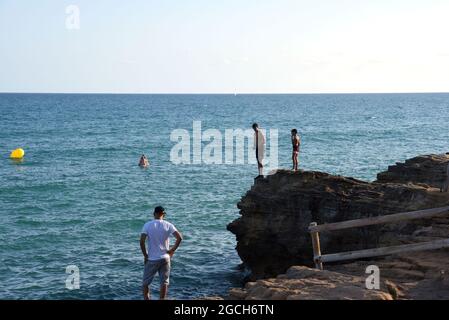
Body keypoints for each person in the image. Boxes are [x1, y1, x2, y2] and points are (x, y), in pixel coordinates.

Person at [140, 206, 183, 300]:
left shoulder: (147, 225)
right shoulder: (168, 224)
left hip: (152, 259)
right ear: (163, 214)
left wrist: (145, 255)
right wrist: (172, 250)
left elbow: (142, 241)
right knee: (164, 282)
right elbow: (179, 238)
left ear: (154, 214)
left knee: (145, 284)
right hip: (165, 258)